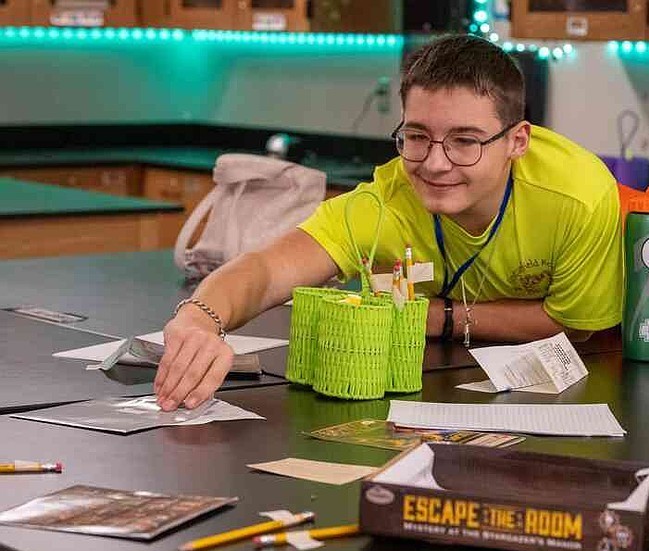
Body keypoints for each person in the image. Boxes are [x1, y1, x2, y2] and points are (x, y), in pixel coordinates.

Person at [154, 35, 623, 412]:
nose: (435, 164)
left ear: (517, 141)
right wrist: (199, 319)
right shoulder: (385, 202)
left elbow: (574, 326)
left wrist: (437, 317)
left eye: (465, 141)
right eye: (417, 136)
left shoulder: (577, 197)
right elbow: (267, 269)